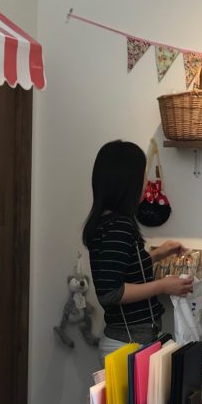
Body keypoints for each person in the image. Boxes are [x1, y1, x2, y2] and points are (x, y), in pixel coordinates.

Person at [82, 140, 190, 358]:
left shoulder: (111, 222)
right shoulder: (118, 226)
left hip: (132, 341)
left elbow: (124, 269)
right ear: (127, 183)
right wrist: (162, 285)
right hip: (127, 344)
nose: (146, 182)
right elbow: (111, 293)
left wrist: (158, 254)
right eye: (142, 176)